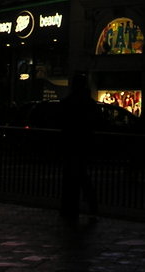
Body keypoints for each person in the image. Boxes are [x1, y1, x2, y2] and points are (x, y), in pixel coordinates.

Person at [59, 72, 98, 218]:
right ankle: (90, 207)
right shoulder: (88, 103)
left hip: (71, 142)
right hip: (82, 143)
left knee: (71, 177)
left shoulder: (69, 103)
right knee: (82, 176)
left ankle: (69, 207)